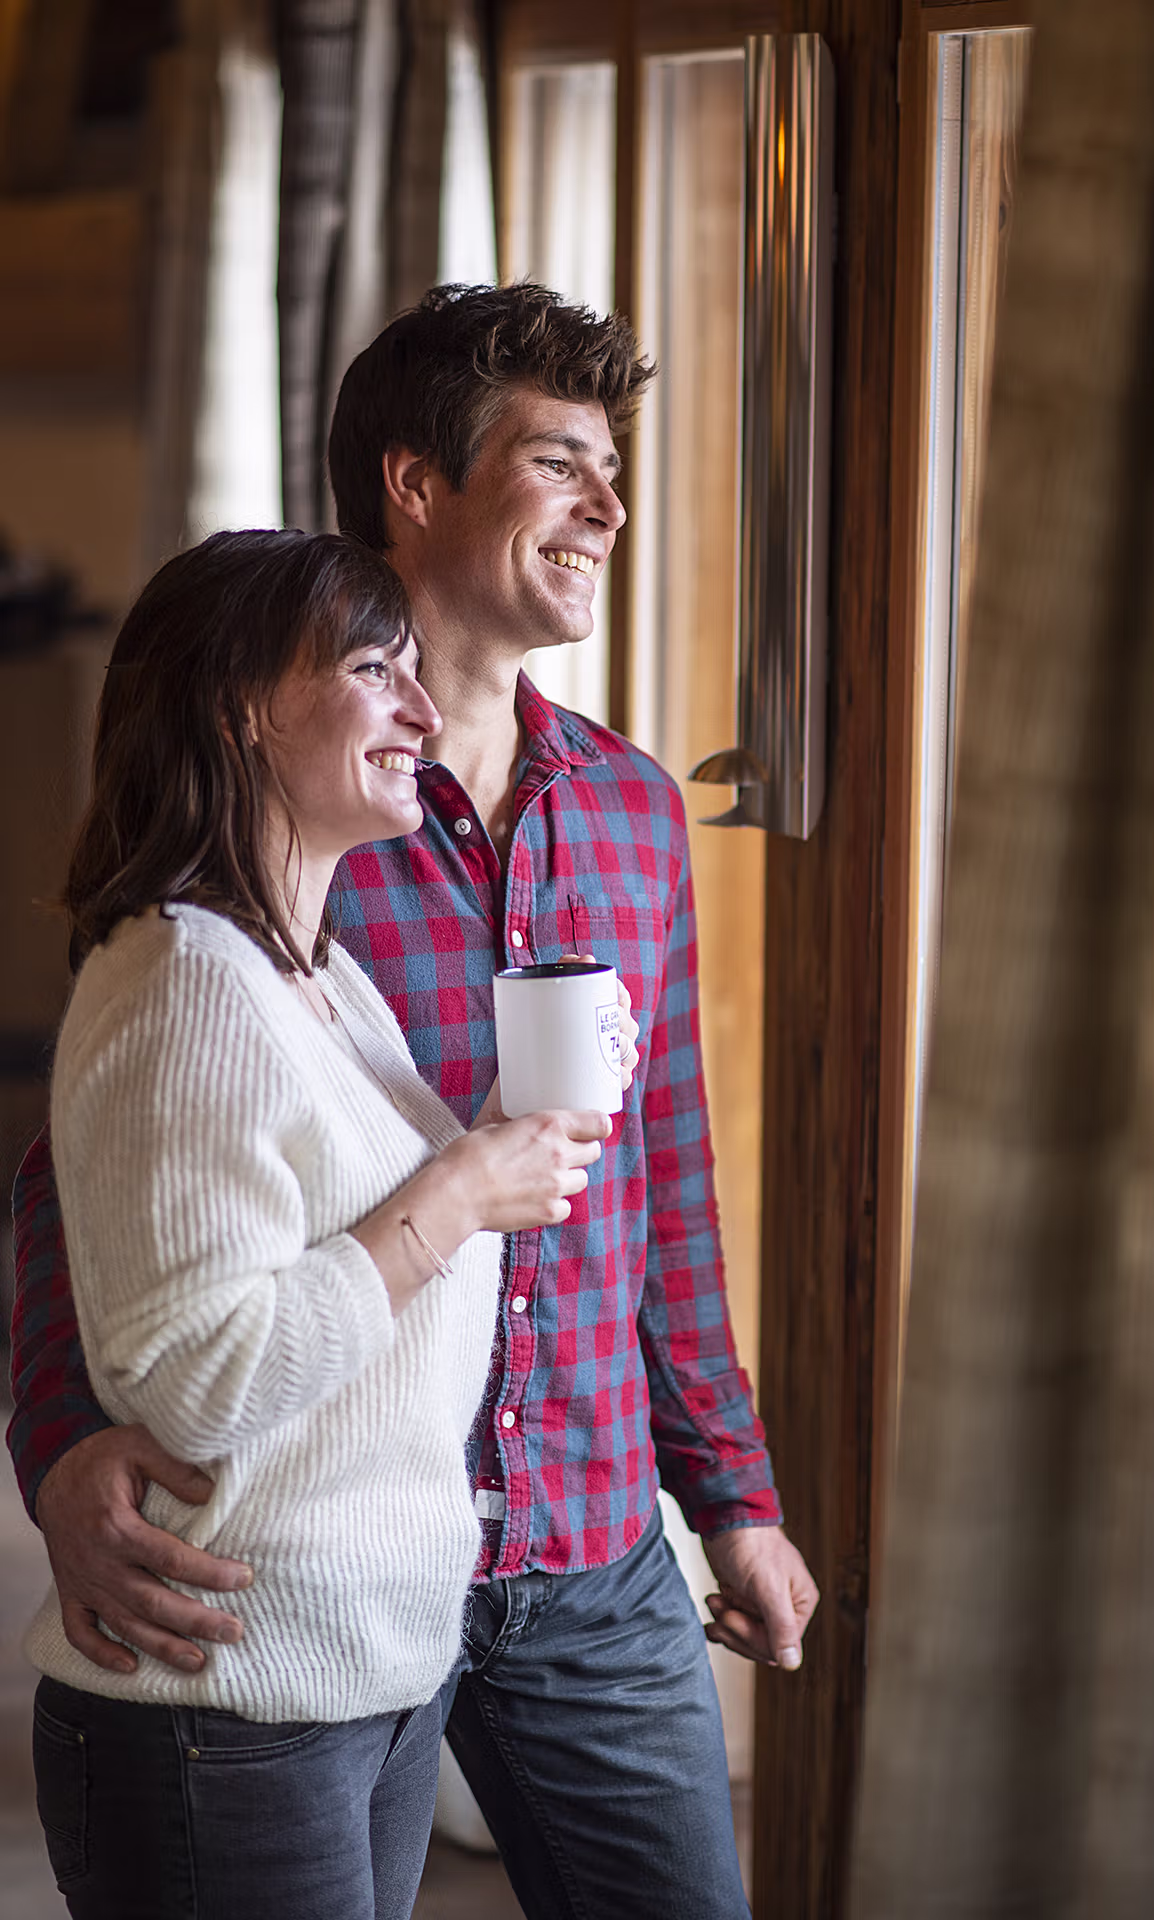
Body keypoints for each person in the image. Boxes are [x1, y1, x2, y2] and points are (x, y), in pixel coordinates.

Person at [9, 284, 820, 1919]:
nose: (607, 504)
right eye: (560, 461)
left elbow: (661, 1167)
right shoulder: (286, 819)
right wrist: (60, 1443)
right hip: (315, 1558)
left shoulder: (635, 814)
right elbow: (88, 1171)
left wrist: (728, 1491)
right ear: (414, 483)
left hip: (588, 1545)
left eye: (616, 467)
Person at [23, 527, 617, 1920]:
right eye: (374, 668)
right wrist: (460, 1192)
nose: (422, 710)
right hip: (227, 1707)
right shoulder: (185, 985)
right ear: (240, 703)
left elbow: (341, 1255)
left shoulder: (321, 977)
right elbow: (200, 1375)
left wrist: (502, 1144)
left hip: (364, 1680)